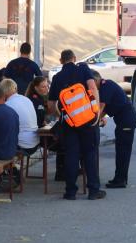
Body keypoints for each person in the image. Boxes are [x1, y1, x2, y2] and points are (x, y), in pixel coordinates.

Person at [48, 49, 105, 200]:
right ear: (74, 58)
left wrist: (62, 116)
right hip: (88, 120)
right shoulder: (83, 70)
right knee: (89, 154)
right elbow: (92, 88)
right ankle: (93, 191)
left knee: (71, 155)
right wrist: (96, 112)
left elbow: (51, 104)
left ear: (61, 61)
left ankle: (70, 192)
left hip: (69, 123)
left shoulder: (57, 77)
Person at [91, 70, 136, 189]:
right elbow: (104, 111)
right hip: (123, 120)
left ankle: (120, 180)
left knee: (123, 151)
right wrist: (98, 120)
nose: (90, 88)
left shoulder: (106, 86)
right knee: (121, 150)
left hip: (126, 120)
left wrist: (93, 122)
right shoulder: (104, 87)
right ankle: (120, 178)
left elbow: (101, 108)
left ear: (96, 80)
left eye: (91, 84)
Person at [0, 79, 40, 154]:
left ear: (2, 91)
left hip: (23, 145)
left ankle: (8, 165)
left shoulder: (8, 105)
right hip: (35, 142)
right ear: (15, 88)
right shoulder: (26, 99)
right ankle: (11, 165)